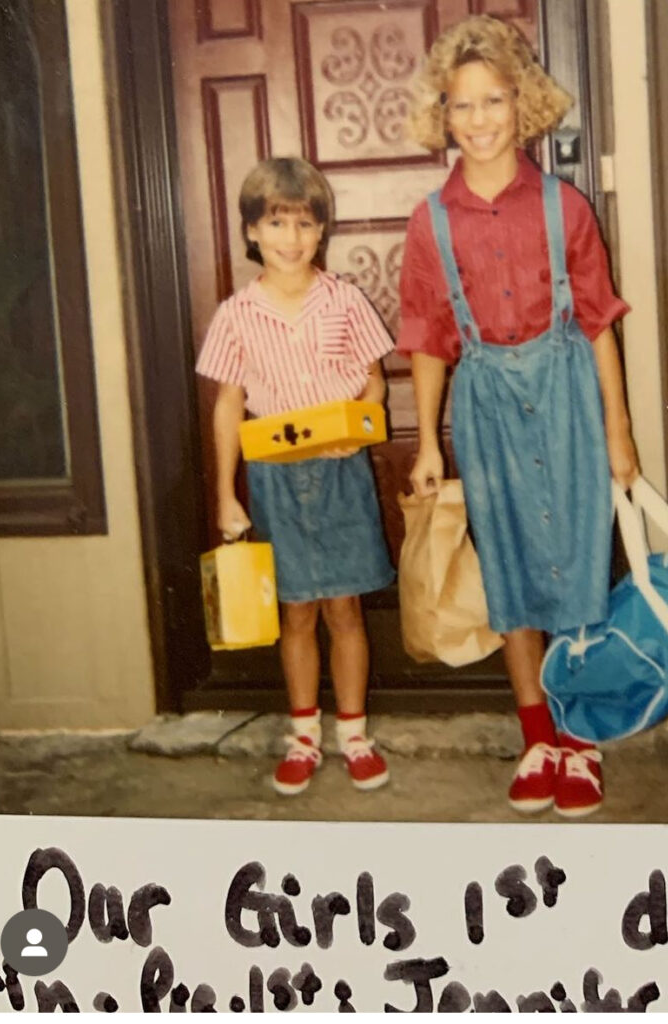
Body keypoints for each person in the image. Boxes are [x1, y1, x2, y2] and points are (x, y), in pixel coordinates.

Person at [398, 16, 639, 817]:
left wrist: (620, 432)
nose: (478, 119)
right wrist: (428, 441)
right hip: (486, 406)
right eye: (461, 105)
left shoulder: (564, 209)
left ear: (522, 102)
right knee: (510, 570)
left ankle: (580, 740)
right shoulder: (431, 222)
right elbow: (430, 339)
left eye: (492, 99)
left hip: (567, 393)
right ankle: (535, 732)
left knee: (574, 564)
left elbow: (600, 322)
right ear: (443, 114)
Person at [196, 157, 395, 796]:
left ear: (321, 232)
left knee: (345, 608)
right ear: (251, 231)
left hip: (341, 471)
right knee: (297, 611)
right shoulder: (236, 314)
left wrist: (358, 422)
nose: (291, 238)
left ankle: (354, 734)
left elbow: (373, 379)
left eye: (304, 225)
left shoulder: (344, 300)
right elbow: (228, 404)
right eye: (276, 224)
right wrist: (227, 494)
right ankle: (304, 734)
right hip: (275, 476)